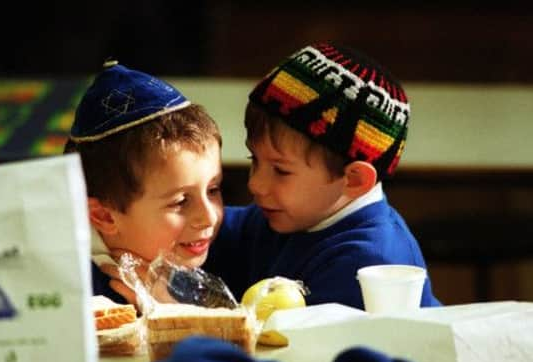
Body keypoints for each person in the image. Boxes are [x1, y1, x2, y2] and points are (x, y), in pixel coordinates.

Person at [204, 41, 441, 309]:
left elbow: (291, 348)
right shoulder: (293, 213)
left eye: (281, 170)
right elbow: (211, 233)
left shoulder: (369, 265)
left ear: (354, 180)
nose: (255, 184)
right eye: (254, 160)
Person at [64, 61, 223, 305]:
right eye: (181, 201)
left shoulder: (226, 235)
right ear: (104, 216)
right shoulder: (73, 294)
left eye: (213, 190)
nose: (209, 217)